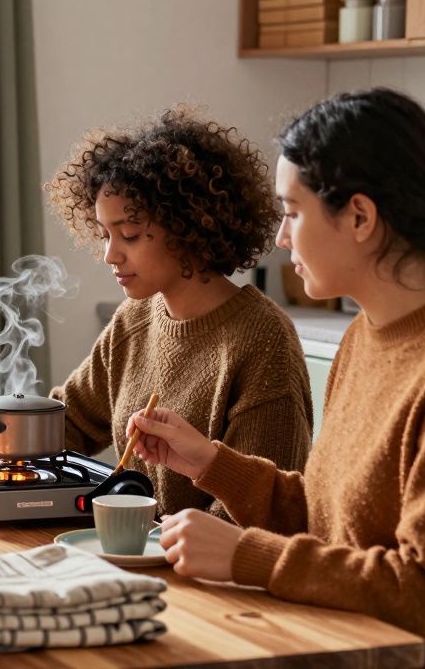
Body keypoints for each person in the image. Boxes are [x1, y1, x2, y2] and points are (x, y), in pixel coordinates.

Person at [127, 89, 425, 666]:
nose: (280, 238)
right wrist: (210, 464)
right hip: (331, 644)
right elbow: (328, 520)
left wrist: (246, 554)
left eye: (293, 212)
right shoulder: (363, 338)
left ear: (360, 217)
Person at [45, 107, 312, 517]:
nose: (110, 255)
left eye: (129, 235)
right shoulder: (133, 321)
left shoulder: (262, 338)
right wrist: (12, 429)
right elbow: (71, 423)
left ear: (187, 226)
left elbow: (266, 512)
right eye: (105, 234)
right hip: (136, 557)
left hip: (205, 573)